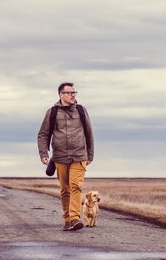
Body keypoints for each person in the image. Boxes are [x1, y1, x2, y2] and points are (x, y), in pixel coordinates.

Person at [37, 82, 94, 231]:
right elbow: (43, 134)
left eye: (74, 92)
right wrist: (44, 153)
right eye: (69, 93)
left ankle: (75, 218)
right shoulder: (52, 112)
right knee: (65, 189)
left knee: (76, 186)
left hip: (79, 156)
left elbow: (89, 133)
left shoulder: (81, 110)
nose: (72, 95)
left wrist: (90, 155)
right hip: (60, 157)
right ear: (61, 95)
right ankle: (68, 219)